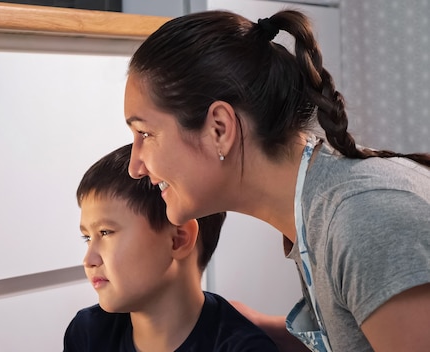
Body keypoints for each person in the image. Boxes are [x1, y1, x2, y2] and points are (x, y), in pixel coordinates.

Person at [122, 9, 430, 352]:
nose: (135, 166)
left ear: (219, 129)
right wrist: (256, 327)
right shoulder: (316, 209)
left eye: (145, 133)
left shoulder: (363, 221)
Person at [63, 144, 279, 351]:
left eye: (105, 232)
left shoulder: (244, 347)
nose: (89, 259)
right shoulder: (87, 333)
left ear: (179, 239)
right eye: (87, 238)